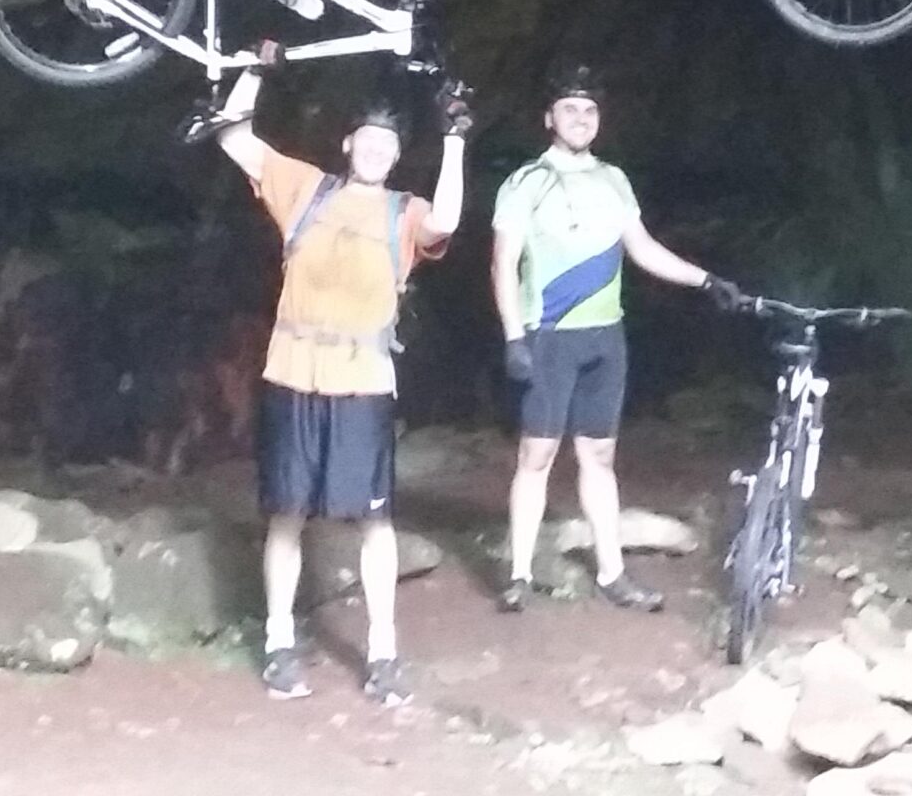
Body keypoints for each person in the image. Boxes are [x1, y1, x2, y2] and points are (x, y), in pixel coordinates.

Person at [211, 41, 470, 706]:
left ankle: (384, 653)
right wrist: (253, 72)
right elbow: (234, 136)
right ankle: (277, 642)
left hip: (362, 381)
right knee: (288, 514)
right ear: (349, 142)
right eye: (369, 137)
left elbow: (446, 220)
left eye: (389, 142)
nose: (378, 149)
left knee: (375, 521)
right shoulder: (307, 190)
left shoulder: (403, 213)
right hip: (295, 374)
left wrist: (458, 141)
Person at [491, 64, 746, 613]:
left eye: (589, 111)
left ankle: (613, 572)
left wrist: (706, 280)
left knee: (600, 456)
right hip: (551, 335)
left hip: (605, 337)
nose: (580, 119)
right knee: (536, 455)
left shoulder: (614, 179)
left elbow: (643, 248)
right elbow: (503, 263)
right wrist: (515, 337)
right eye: (569, 109)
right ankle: (518, 573)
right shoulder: (525, 181)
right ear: (549, 119)